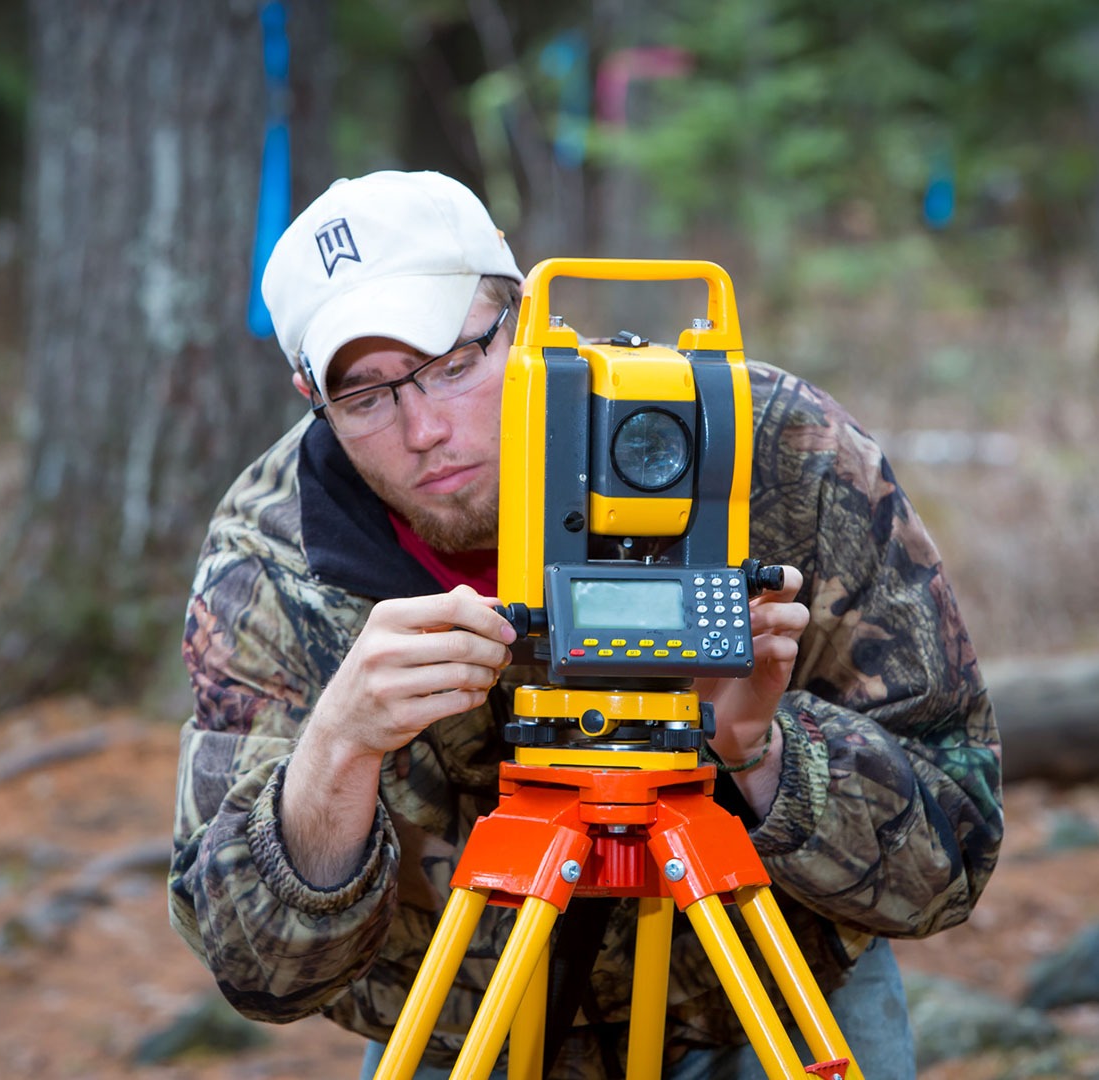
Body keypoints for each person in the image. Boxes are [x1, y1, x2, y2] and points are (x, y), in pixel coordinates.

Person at [169, 170, 1003, 1080]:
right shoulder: (272, 556)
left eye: (454, 366)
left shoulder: (761, 445)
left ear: (526, 320)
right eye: (366, 397)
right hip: (470, 1032)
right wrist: (337, 747)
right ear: (306, 392)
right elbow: (257, 970)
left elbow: (952, 855)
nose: (424, 431)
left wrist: (763, 751)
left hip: (764, 1005)